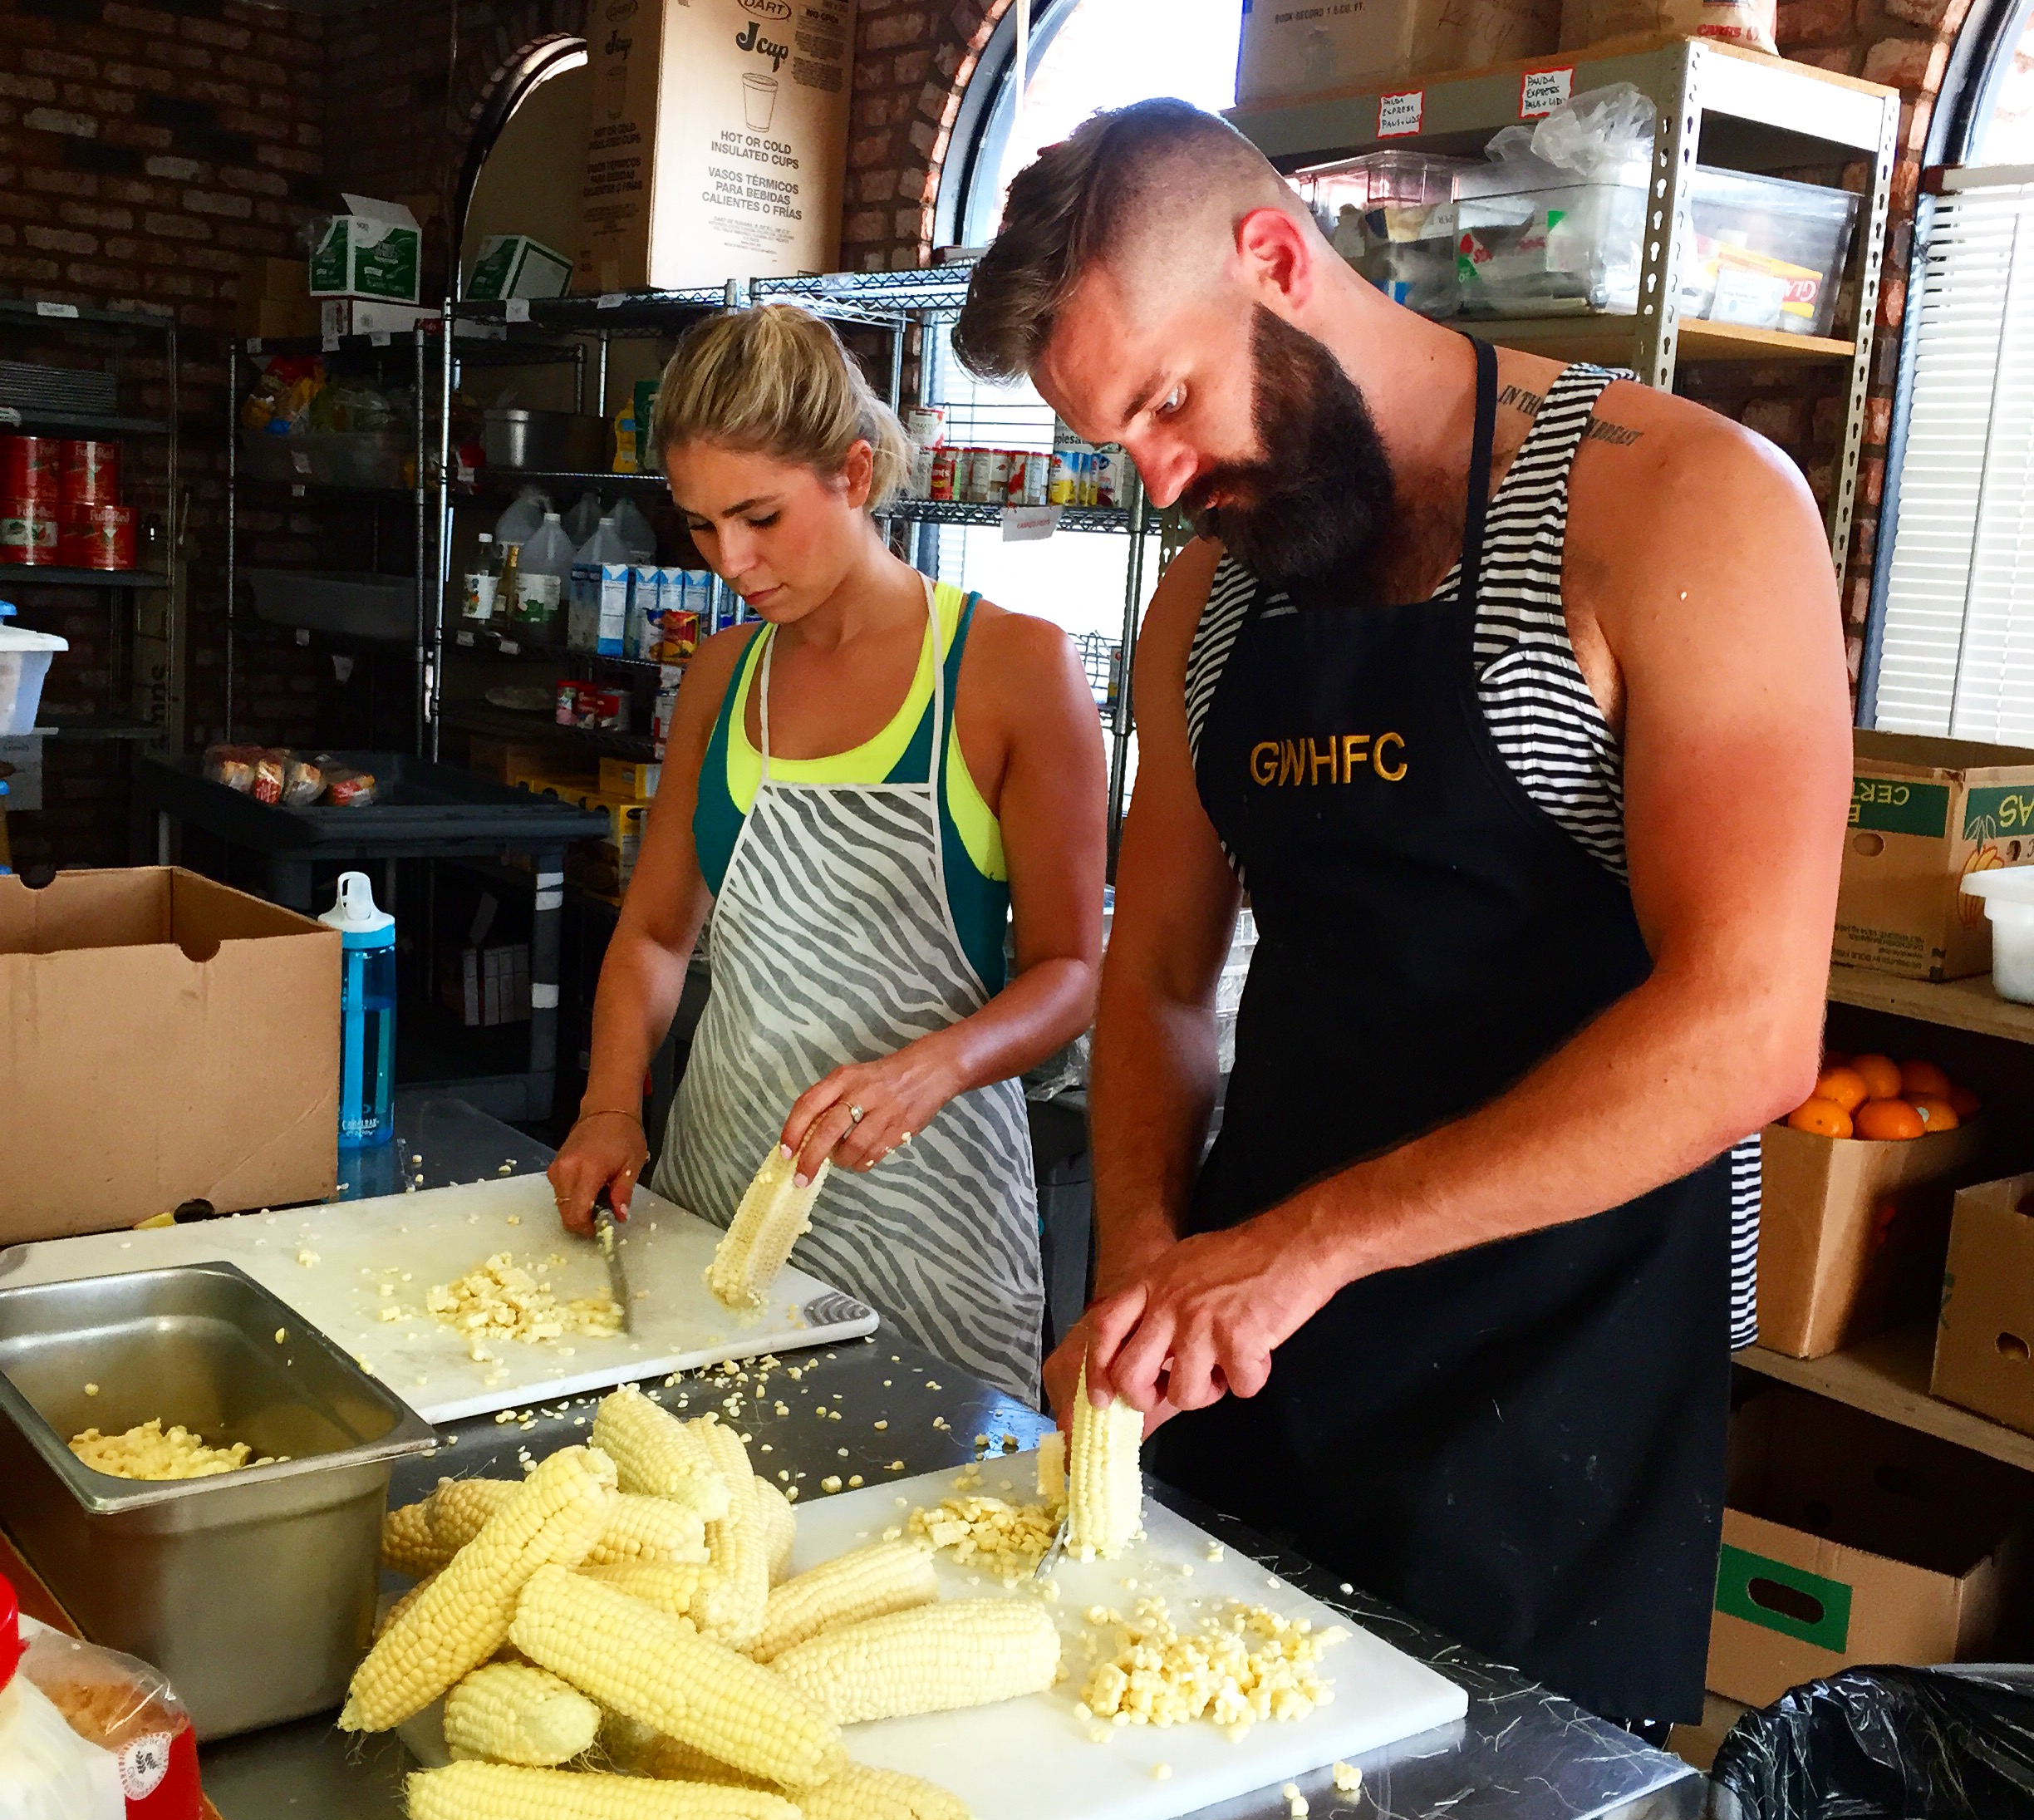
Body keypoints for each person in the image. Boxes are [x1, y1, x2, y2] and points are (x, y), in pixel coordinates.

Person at [952, 101, 1852, 1726]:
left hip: (1557, 1407)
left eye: (1169, 402)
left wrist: (1302, 1251)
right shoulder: (1209, 601)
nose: (1161, 480)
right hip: (1263, 1367)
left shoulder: (1680, 509)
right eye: (1118, 443)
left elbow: (1750, 1027)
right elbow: (1157, 973)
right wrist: (1149, 1254)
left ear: (1279, 261)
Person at [549, 305, 1106, 1397]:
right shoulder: (721, 678)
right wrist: (611, 1104)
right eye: (702, 527)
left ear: (853, 473)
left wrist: (930, 1066)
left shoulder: (1008, 672)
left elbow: (1072, 972)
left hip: (934, 1235)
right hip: (720, 1199)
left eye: (759, 516)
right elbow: (659, 933)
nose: (733, 562)